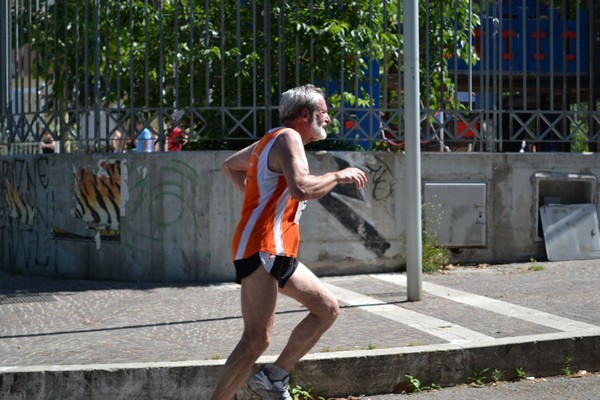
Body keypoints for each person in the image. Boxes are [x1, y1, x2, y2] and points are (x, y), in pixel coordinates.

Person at [212, 84, 367, 400]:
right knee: (257, 339)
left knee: (326, 309)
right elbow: (301, 188)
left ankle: (275, 377)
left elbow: (231, 165)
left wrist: (260, 198)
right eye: (323, 112)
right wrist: (338, 176)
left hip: (279, 247)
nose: (328, 118)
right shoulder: (288, 138)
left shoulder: (274, 139)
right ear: (306, 114)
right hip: (262, 245)